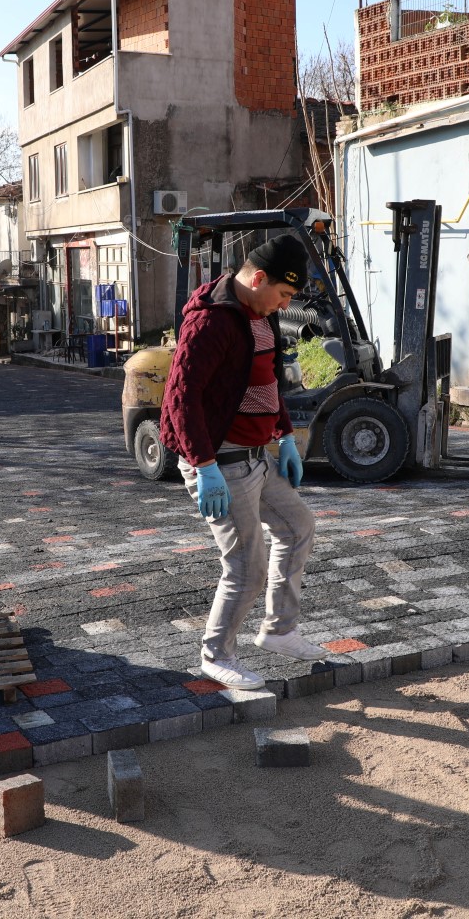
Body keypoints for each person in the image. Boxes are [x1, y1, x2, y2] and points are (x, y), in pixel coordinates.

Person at [158, 233, 329, 691]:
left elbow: (269, 382)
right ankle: (216, 655)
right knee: (246, 567)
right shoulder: (211, 324)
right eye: (284, 294)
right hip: (221, 463)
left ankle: (280, 631)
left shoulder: (261, 317)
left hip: (258, 458)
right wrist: (204, 465)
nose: (285, 304)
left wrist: (286, 436)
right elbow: (180, 398)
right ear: (257, 278)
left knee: (298, 527)